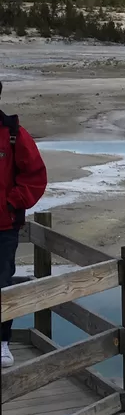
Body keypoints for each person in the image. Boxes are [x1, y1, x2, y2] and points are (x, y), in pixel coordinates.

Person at [1, 80, 48, 367]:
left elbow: (35, 176)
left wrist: (10, 203)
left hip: (3, 227)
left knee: (2, 283)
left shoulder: (13, 133)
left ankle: (2, 341)